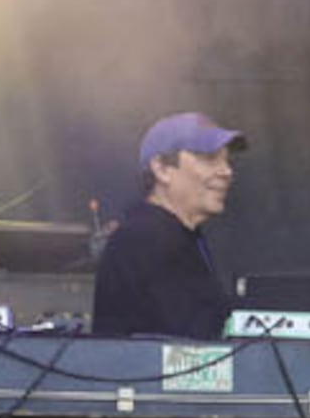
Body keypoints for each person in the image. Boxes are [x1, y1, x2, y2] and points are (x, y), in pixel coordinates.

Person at [93, 112, 244, 339]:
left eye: (226, 160)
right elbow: (189, 343)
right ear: (162, 169)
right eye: (210, 158)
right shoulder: (145, 239)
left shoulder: (177, 236)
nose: (227, 171)